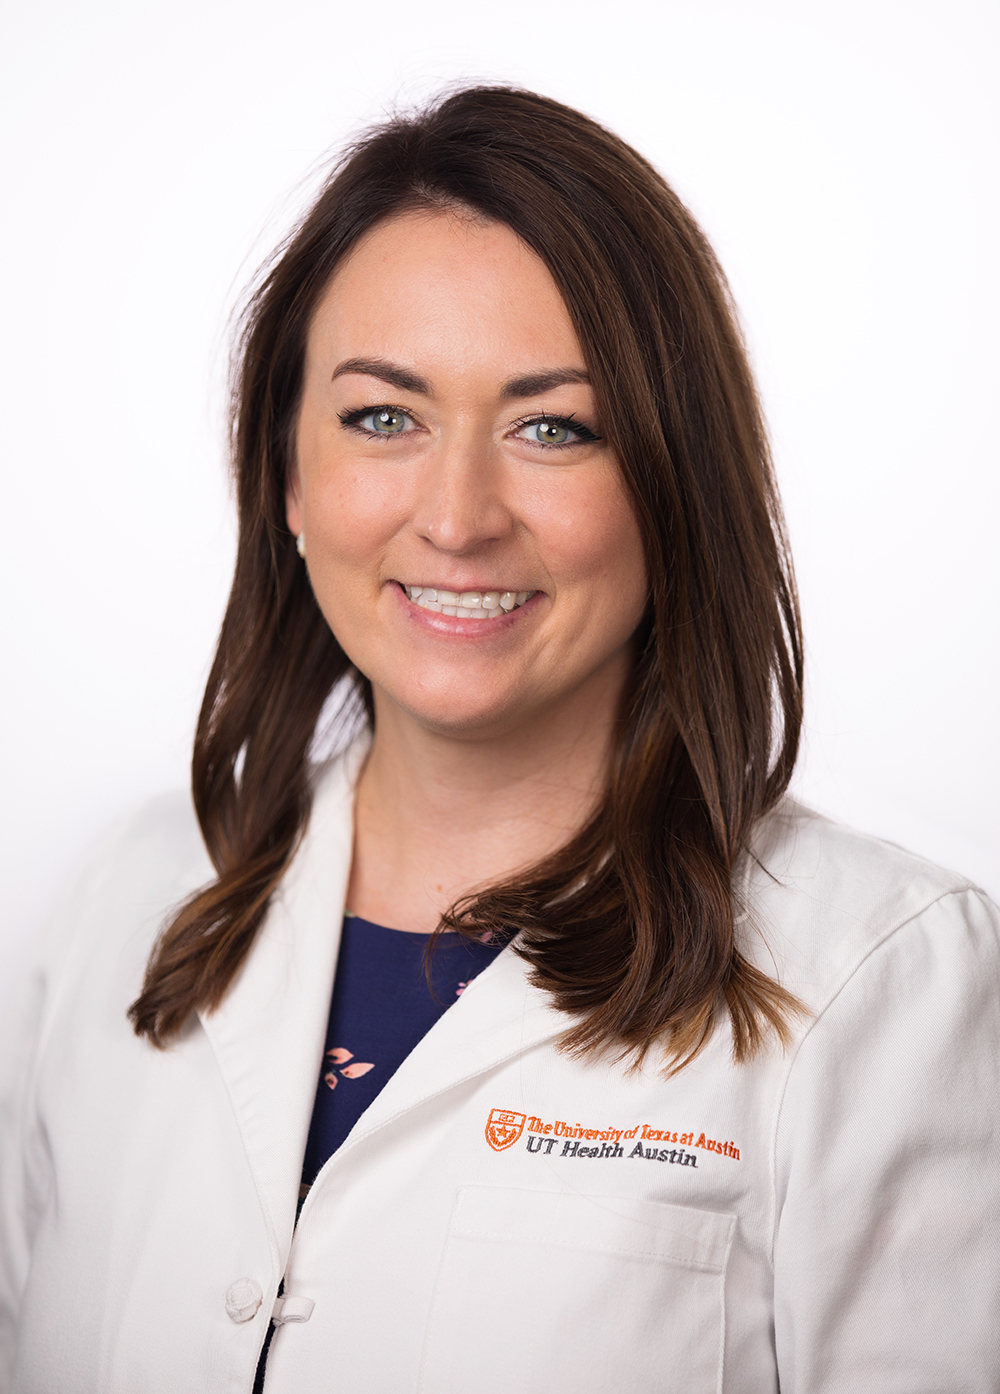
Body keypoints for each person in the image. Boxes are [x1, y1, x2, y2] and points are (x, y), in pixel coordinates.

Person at [1, 85, 997, 1394]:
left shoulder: (881, 979)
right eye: (382, 417)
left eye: (553, 427)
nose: (458, 517)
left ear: (672, 482)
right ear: (289, 479)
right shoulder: (127, 897)